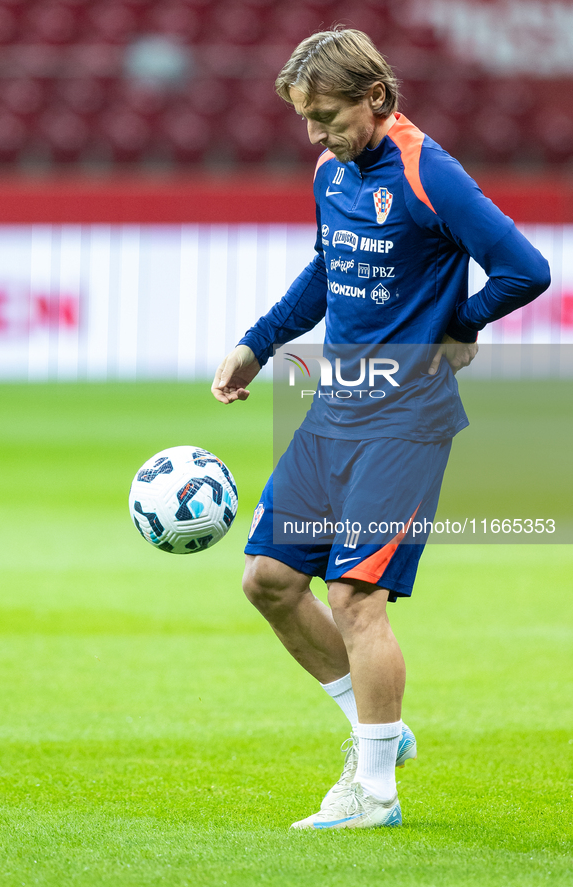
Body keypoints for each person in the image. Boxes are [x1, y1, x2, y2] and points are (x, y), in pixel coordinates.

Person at [211, 28, 550, 830]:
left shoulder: (429, 173)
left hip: (406, 416)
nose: (315, 136)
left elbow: (524, 268)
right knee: (268, 581)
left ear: (376, 98)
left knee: (356, 596)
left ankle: (374, 792)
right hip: (336, 405)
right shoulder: (333, 169)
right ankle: (380, 734)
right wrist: (257, 344)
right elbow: (328, 271)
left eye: (327, 116)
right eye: (305, 119)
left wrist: (459, 323)